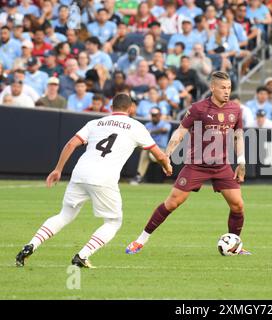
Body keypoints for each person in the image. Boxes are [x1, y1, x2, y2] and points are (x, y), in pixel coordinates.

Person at [15, 93, 172, 268]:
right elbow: (158, 154)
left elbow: (70, 145)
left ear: (111, 107)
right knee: (113, 222)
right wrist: (167, 165)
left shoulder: (95, 122)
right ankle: (83, 255)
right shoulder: (137, 127)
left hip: (80, 173)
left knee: (64, 215)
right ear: (131, 108)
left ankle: (31, 245)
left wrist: (58, 169)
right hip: (104, 178)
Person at [125, 71, 250, 256]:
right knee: (173, 203)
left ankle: (233, 245)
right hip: (196, 164)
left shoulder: (235, 109)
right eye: (223, 88)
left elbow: (238, 136)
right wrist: (167, 154)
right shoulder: (198, 108)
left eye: (229, 88)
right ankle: (140, 240)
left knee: (238, 206)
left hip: (222, 165)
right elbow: (180, 132)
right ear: (212, 88)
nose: (227, 91)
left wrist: (241, 161)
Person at [131, 107, 172, 184]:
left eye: (155, 115)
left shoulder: (165, 123)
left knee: (147, 152)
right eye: (152, 115)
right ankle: (139, 176)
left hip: (162, 150)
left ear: (159, 115)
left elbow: (165, 130)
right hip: (150, 149)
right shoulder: (148, 125)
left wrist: (151, 132)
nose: (154, 117)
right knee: (145, 152)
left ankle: (139, 176)